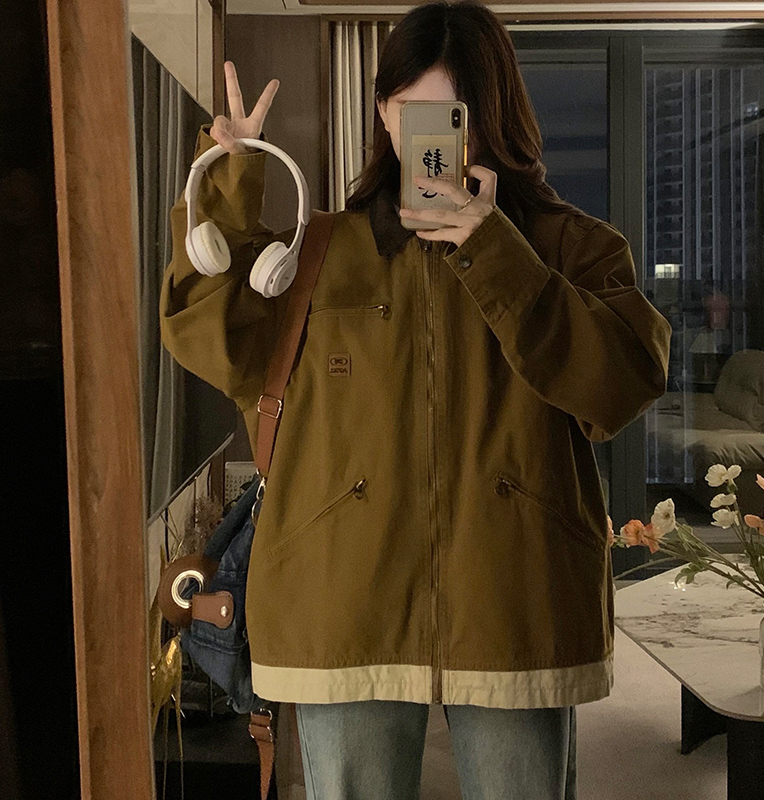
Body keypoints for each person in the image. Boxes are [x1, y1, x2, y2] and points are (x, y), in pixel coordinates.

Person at [160, 1, 672, 797]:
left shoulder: (570, 246)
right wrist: (226, 178)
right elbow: (204, 333)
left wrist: (496, 251)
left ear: (494, 114)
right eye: (412, 109)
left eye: (455, 114)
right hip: (342, 599)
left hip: (515, 598)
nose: (434, 136)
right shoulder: (316, 252)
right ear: (382, 113)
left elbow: (623, 381)